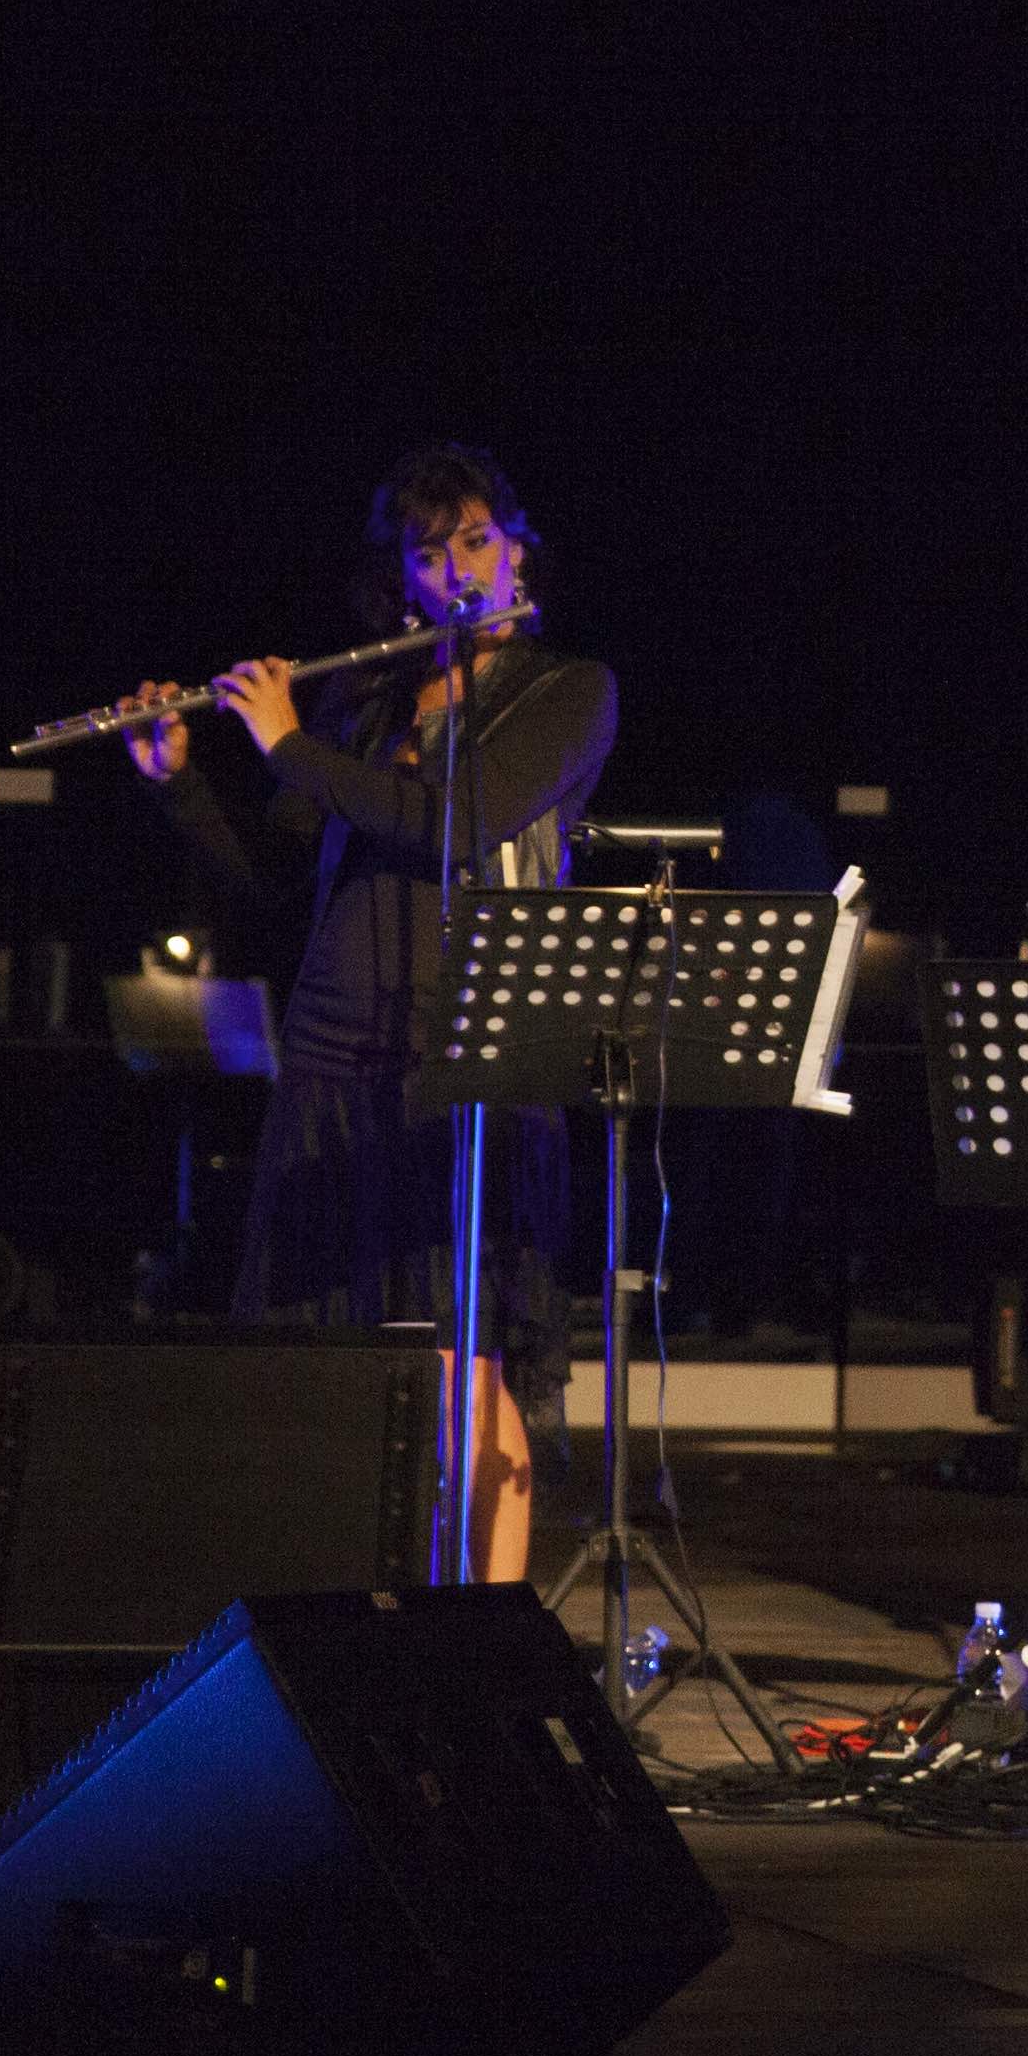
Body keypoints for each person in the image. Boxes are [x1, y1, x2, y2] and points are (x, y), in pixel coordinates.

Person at [125, 442, 615, 1366]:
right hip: (332, 1056)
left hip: (468, 1063)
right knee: (315, 1371)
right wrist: (180, 785)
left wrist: (284, 744)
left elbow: (455, 821)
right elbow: (277, 877)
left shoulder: (568, 691)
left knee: (468, 1369)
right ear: (402, 580)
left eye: (475, 541)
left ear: (518, 551)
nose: (456, 568)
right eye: (428, 555)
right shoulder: (371, 699)